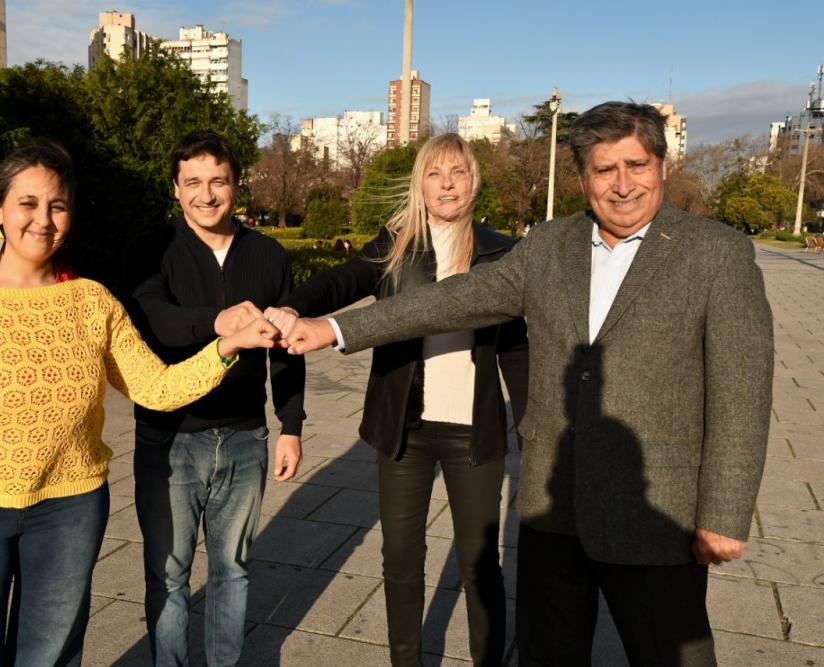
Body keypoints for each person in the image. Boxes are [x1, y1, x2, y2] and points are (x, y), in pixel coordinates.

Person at [284, 102, 774, 666]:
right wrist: (335, 328)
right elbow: (453, 299)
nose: (622, 185)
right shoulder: (548, 245)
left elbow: (743, 391)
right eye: (604, 169)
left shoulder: (716, 253)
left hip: (654, 514)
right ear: (583, 176)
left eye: (635, 165)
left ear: (662, 166)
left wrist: (725, 513)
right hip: (552, 510)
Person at [0, 138, 279, 666]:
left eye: (57, 205)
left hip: (69, 511)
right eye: (27, 204)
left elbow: (155, 387)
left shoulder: (91, 301)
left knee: (50, 655)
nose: (43, 219)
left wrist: (226, 348)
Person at [265, 133, 528, 666]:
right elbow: (340, 282)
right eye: (435, 173)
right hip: (403, 427)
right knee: (401, 557)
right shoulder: (398, 245)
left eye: (457, 172)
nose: (447, 183)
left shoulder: (502, 252)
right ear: (421, 184)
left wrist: (533, 426)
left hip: (472, 429)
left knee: (480, 563)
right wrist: (291, 308)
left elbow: (517, 350)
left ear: (474, 180)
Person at [125, 130, 305, 666]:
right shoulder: (150, 250)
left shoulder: (268, 255)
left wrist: (291, 425)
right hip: (169, 439)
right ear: (176, 188)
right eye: (194, 182)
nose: (207, 194)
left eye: (218, 181)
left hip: (246, 438)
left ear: (235, 185)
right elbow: (154, 320)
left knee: (232, 570)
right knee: (169, 574)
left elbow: (288, 350)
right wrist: (218, 325)